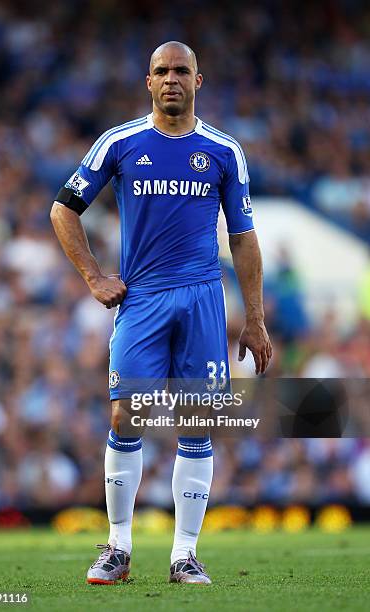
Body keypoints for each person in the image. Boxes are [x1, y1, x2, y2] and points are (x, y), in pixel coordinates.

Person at [50, 40, 272, 585]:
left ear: (199, 80)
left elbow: (243, 239)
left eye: (181, 71)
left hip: (201, 298)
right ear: (148, 82)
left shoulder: (224, 151)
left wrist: (256, 317)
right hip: (143, 298)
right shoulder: (120, 143)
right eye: (160, 71)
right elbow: (63, 209)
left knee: (196, 423)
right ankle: (118, 547)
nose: (171, 79)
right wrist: (94, 276)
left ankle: (184, 555)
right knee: (127, 414)